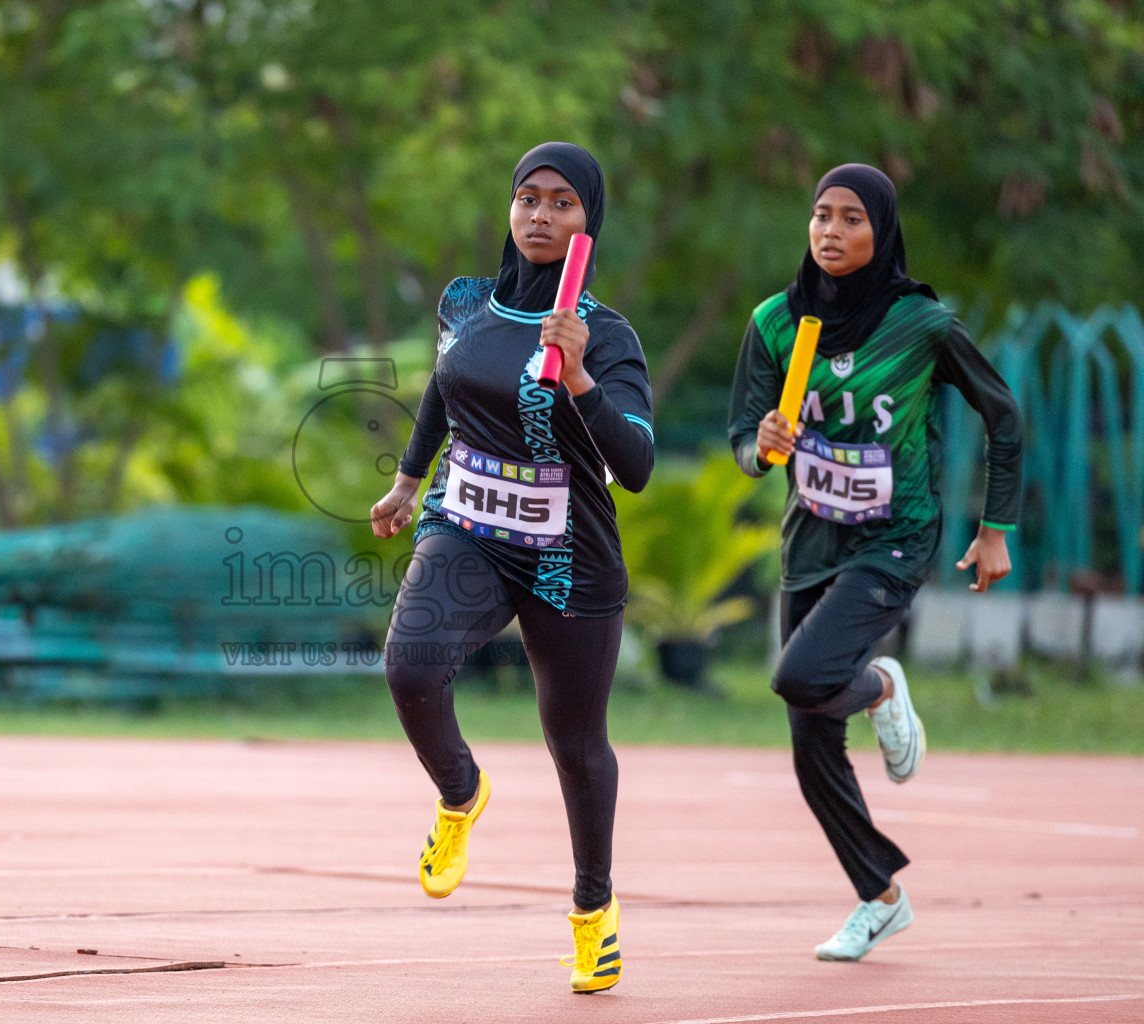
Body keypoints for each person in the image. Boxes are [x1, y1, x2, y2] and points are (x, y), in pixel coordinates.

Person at [369, 141, 655, 994]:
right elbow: (440, 388)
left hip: (570, 555)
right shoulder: (466, 301)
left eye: (562, 202)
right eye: (527, 198)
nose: (540, 214)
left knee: (575, 743)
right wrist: (408, 478)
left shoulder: (604, 333)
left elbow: (637, 465)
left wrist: (580, 384)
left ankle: (593, 910)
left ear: (588, 223)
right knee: (409, 666)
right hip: (467, 528)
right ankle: (461, 793)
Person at [727, 163, 1023, 962]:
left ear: (881, 231)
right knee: (810, 744)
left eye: (851, 218)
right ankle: (879, 897)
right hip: (810, 541)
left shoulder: (920, 324)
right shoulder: (775, 323)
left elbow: (1004, 415)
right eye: (821, 215)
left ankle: (883, 685)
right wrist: (761, 445)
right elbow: (741, 439)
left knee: (799, 677)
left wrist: (995, 527)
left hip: (895, 536)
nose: (830, 231)